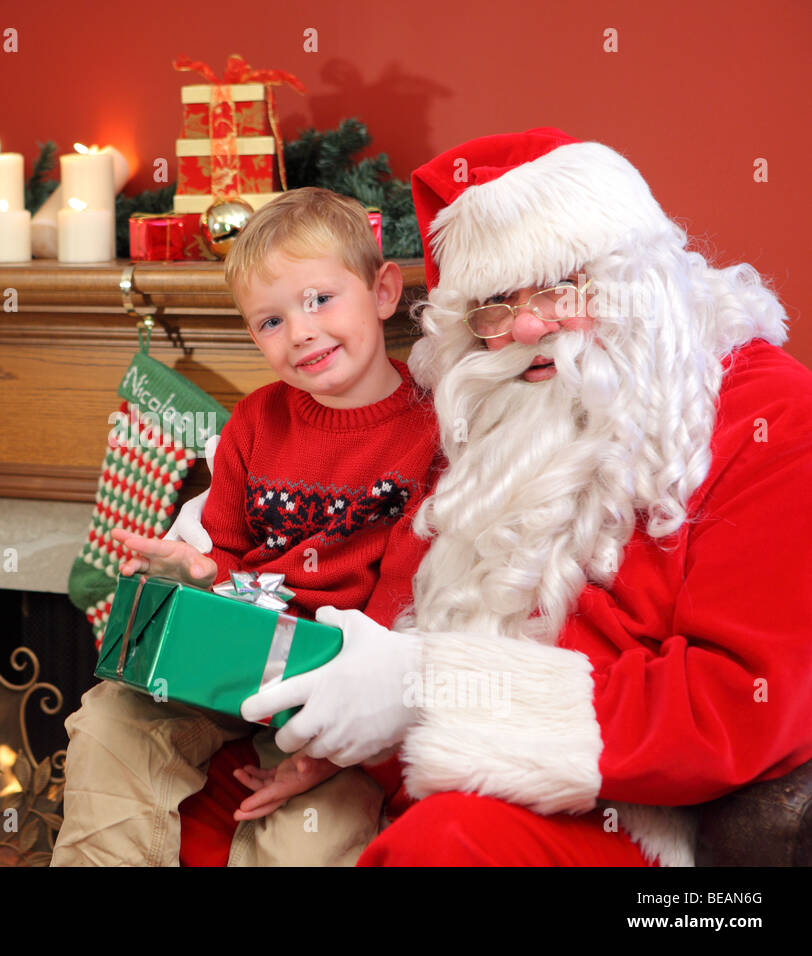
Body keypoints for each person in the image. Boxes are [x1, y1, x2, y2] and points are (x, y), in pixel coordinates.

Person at [173, 128, 812, 866]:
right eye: (496, 306)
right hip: (421, 768)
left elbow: (742, 702)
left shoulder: (770, 415)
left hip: (626, 807)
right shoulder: (491, 406)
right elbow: (389, 593)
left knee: (443, 849)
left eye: (558, 287)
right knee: (193, 801)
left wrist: (433, 692)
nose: (529, 327)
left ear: (632, 275)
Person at [50, 187, 441, 866]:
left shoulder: (429, 432)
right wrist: (199, 575)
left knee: (306, 841)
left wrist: (327, 752)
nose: (302, 333)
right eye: (270, 321)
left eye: (320, 299)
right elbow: (227, 556)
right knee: (109, 721)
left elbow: (400, 609)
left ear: (382, 291)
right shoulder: (256, 421)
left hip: (337, 678)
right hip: (235, 656)